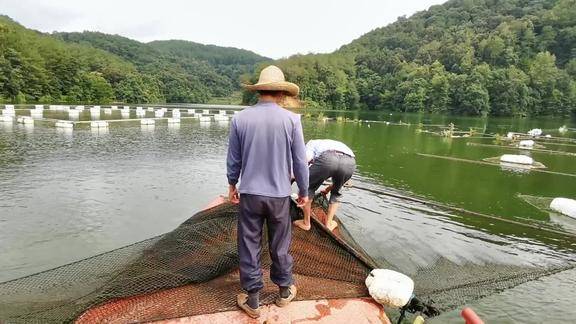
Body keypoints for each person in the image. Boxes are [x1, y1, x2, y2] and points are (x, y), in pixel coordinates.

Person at [227, 65, 309, 318]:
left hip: (250, 194)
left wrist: (232, 184)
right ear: (281, 94)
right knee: (279, 244)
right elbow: (299, 161)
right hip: (279, 196)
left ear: (260, 91)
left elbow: (234, 160)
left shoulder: (240, 119)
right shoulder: (292, 120)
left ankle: (252, 300)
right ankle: (284, 292)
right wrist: (304, 191)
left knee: (249, 243)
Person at [293, 139, 356, 232]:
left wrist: (295, 176)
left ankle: (306, 223)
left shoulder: (310, 143)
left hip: (328, 158)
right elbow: (340, 180)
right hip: (350, 162)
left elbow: (305, 161)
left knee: (308, 188)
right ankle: (329, 224)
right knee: (336, 193)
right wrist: (327, 189)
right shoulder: (331, 144)